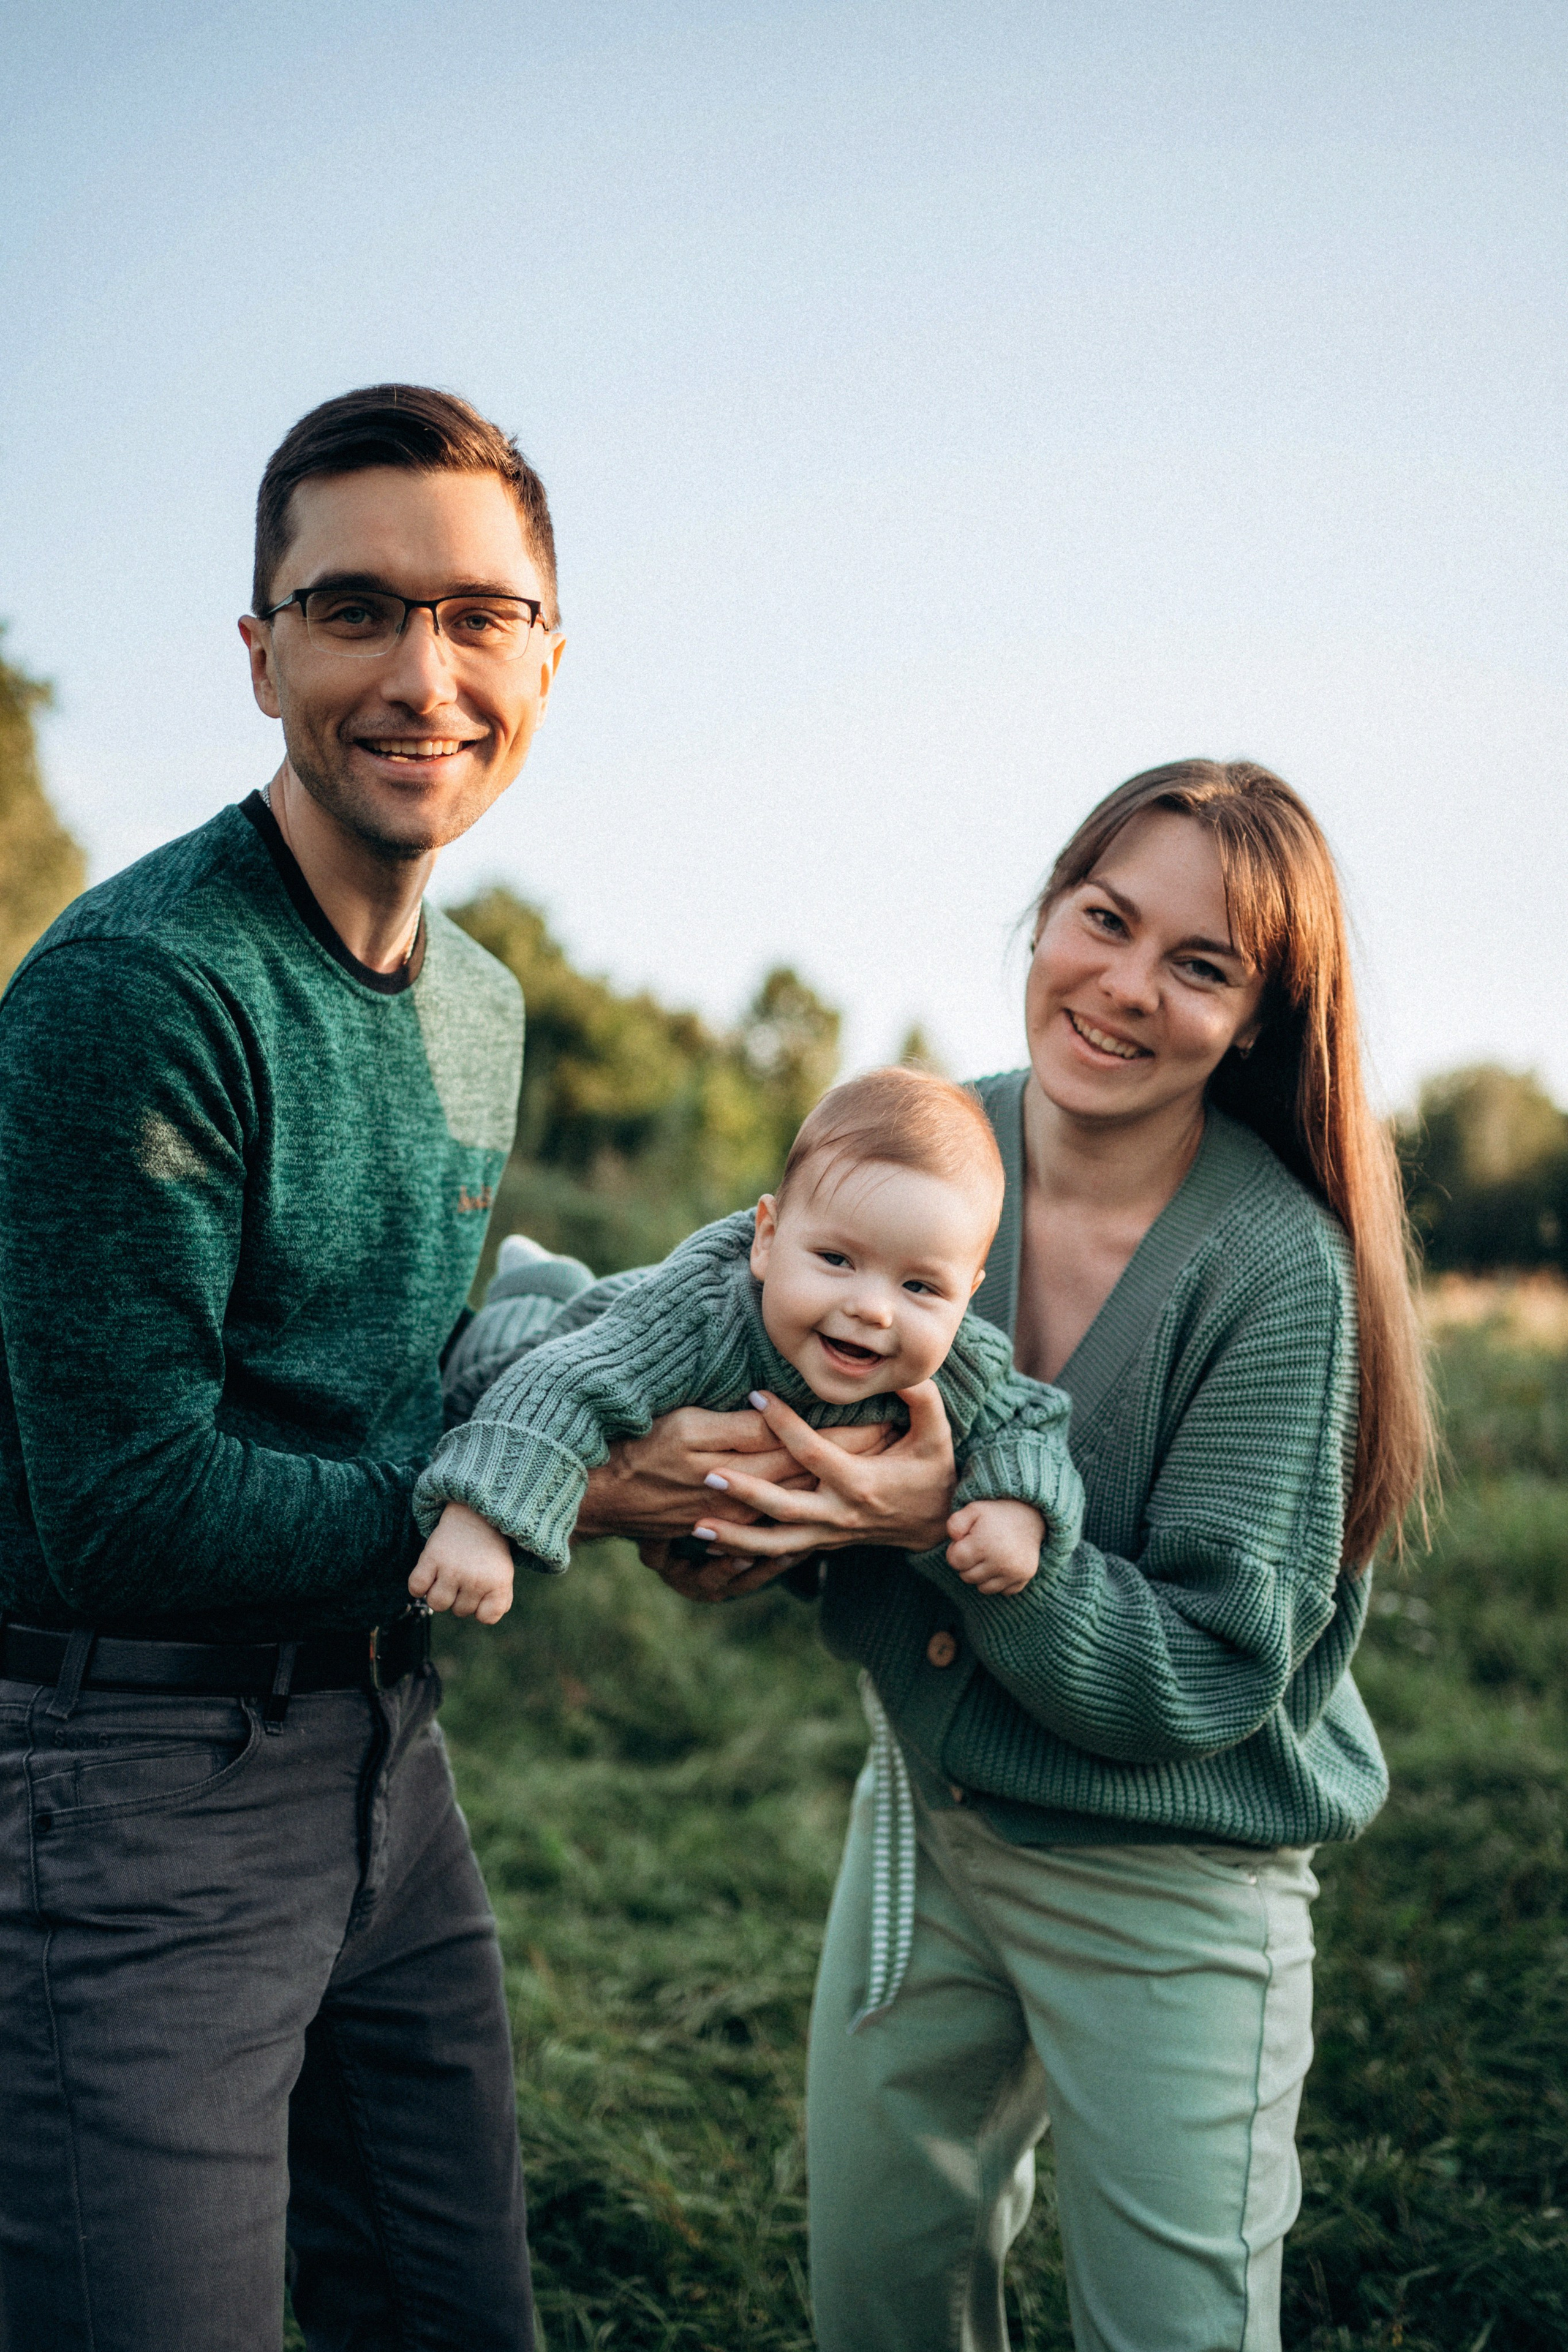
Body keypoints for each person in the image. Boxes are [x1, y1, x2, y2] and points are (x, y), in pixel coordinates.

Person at [565, 760, 1433, 2352]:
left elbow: (1214, 1676)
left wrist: (948, 1544)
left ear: (1257, 1019)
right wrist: (744, 1534)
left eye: (1200, 965)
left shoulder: (1275, 1267)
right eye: (1104, 920)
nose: (1123, 988)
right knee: (882, 2301)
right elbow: (790, 1398)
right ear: (1045, 910)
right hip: (927, 1825)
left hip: (1169, 1881)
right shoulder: (936, 1149)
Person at [0, 384, 564, 2352]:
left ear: (546, 656)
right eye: (355, 610)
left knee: (451, 2309)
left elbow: (399, 1386)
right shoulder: (137, 989)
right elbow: (132, 1498)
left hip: (391, 1760)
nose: (424, 672)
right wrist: (522, 1500)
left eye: (479, 614)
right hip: (133, 1776)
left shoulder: (484, 1009)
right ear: (261, 657)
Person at [407, 1067, 1085, 1631]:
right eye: (837, 1259)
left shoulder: (959, 1359)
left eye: (920, 1285)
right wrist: (480, 1518)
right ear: (766, 1238)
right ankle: (536, 1282)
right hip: (581, 1335)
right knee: (474, 1380)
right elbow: (557, 1383)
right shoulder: (700, 1316)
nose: (873, 1308)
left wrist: (1018, 1505)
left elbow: (1028, 1418)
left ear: (967, 1295)